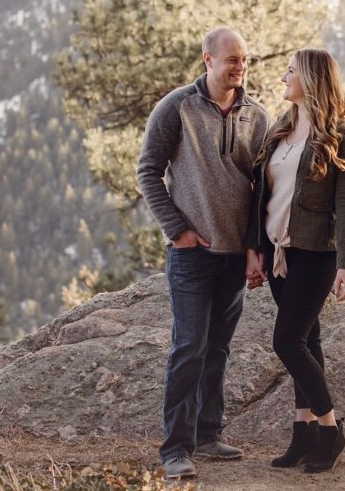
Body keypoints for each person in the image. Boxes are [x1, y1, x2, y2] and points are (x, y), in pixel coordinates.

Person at [136, 26, 270, 480]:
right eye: (232, 59)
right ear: (207, 59)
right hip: (191, 255)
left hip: (234, 257)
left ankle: (208, 435)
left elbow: (261, 191)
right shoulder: (177, 107)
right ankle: (176, 448)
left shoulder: (257, 116)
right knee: (189, 346)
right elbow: (148, 172)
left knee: (217, 348)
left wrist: (253, 249)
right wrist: (178, 231)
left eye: (245, 59)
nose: (240, 67)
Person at [244, 48, 345, 473]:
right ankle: (304, 432)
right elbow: (262, 195)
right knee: (308, 340)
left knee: (288, 341)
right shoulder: (281, 128)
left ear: (311, 79)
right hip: (280, 251)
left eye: (290, 71)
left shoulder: (341, 134)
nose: (283, 78)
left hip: (316, 252)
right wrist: (256, 248)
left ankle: (330, 430)